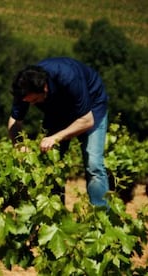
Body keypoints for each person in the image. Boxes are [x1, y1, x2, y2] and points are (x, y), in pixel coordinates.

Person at [8, 57, 109, 207]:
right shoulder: (24, 89)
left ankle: (102, 217)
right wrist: (19, 145)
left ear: (45, 89)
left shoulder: (68, 77)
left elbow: (87, 120)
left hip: (92, 108)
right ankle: (55, 215)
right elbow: (14, 122)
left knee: (93, 164)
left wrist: (56, 137)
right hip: (57, 112)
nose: (32, 104)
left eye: (35, 101)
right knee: (51, 164)